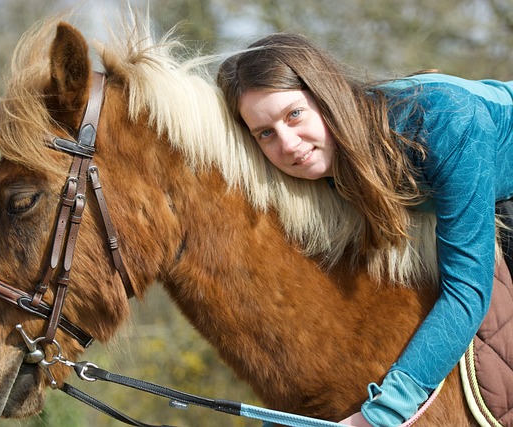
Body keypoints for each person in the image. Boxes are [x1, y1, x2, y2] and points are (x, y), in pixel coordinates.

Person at [217, 33, 513, 426]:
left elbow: (467, 292)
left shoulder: (447, 121)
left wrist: (382, 414)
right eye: (265, 133)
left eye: (293, 115)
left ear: (327, 97)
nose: (287, 145)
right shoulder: (317, 159)